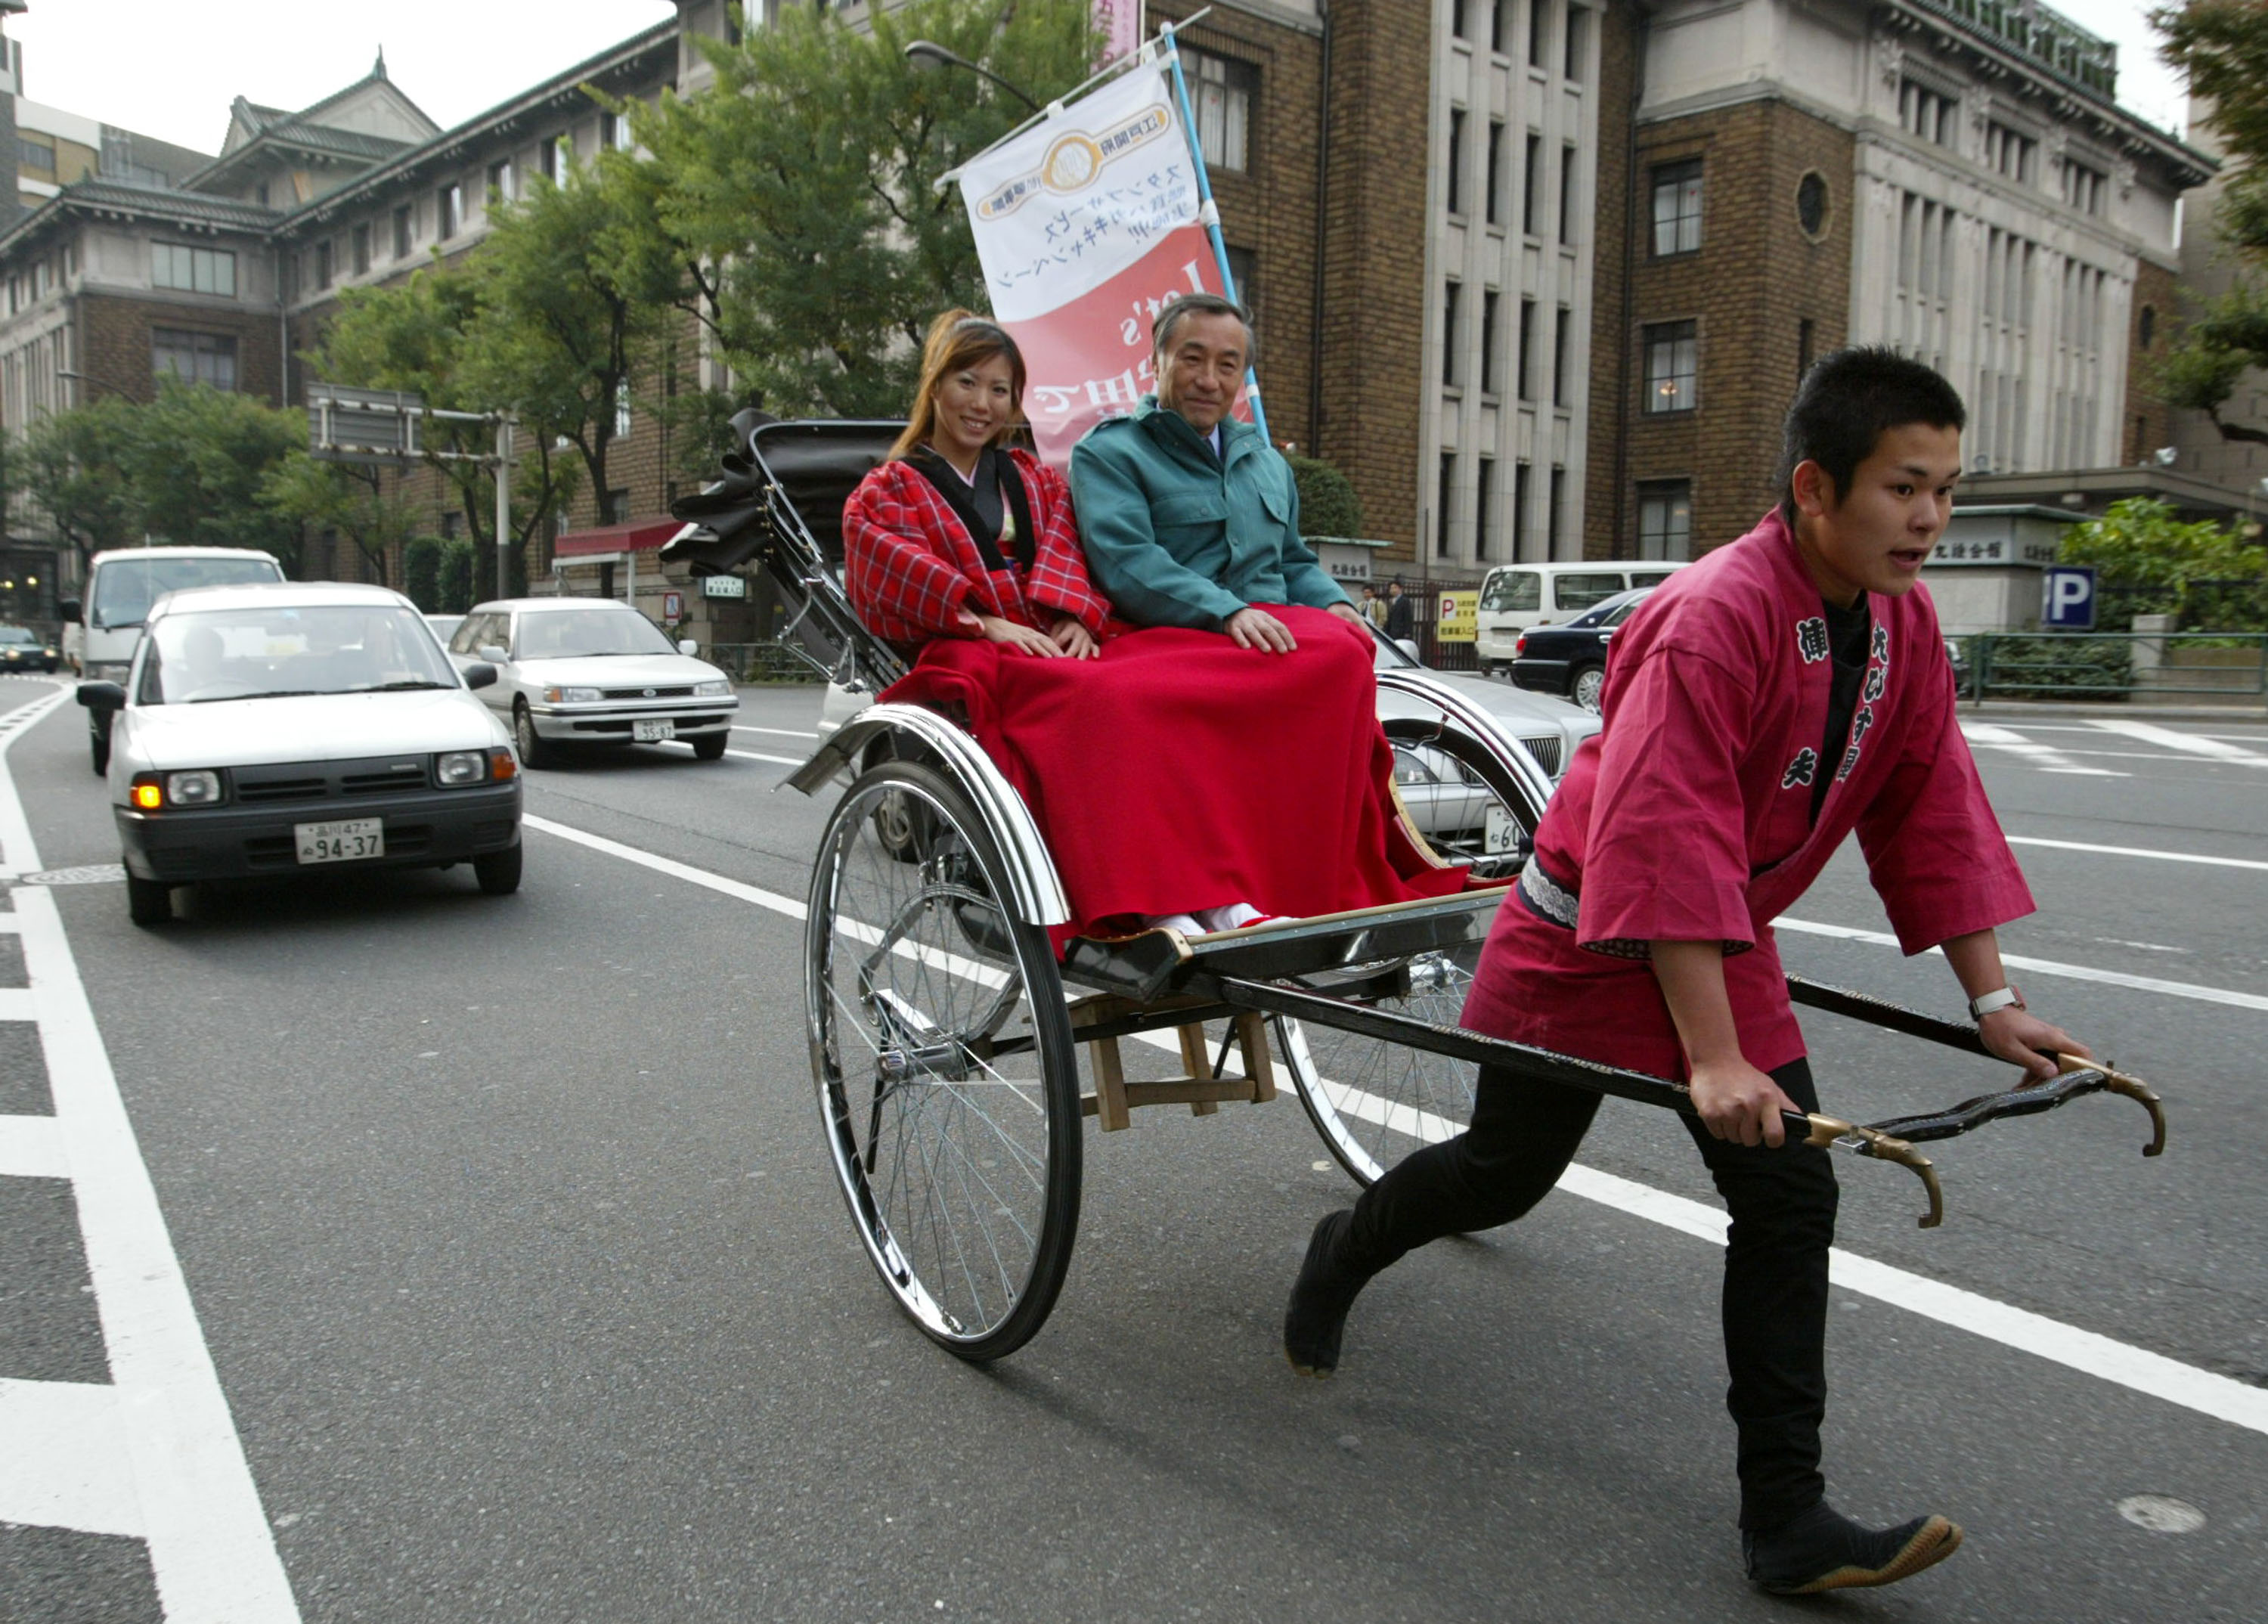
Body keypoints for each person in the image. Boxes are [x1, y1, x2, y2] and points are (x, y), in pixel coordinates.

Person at [1280, 348, 2092, 1595]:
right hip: (1586, 937)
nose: (1931, 517)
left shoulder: (1902, 621)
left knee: (1789, 1195)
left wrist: (1996, 1003)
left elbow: (1931, 807)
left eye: (1947, 488)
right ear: (1817, 487)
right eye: (1905, 487)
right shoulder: (1715, 616)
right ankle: (1344, 1247)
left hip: (1720, 935)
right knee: (1504, 1173)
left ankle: (1787, 1517)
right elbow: (1663, 835)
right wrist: (1713, 1055)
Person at [843, 309, 1465, 944]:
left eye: (999, 390)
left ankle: (1269, 882)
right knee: (1115, 699)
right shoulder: (890, 488)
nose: (982, 403)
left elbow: (1067, 548)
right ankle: (1158, 899)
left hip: (1052, 632)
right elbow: (902, 567)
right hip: (970, 644)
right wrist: (986, 624)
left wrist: (1073, 614)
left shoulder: (1032, 478)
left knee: (1322, 657)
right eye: (967, 384)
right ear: (935, 386)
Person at [1383, 578, 1414, 643]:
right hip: (1391, 633)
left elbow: (1408, 617)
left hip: (1401, 633)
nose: (1393, 590)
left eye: (1395, 588)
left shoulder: (1405, 601)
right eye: (1391, 588)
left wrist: (1407, 632)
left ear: (1400, 589)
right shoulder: (1391, 601)